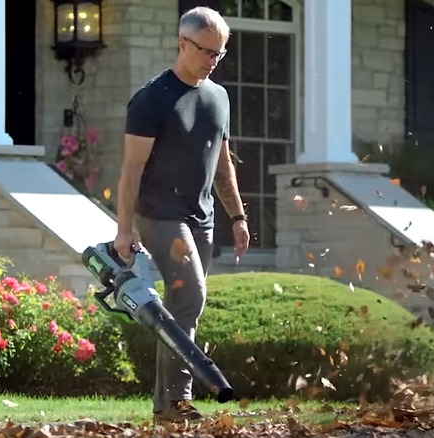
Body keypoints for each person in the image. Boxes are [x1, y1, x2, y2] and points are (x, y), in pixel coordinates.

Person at [112, 5, 250, 424]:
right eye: (207, 52)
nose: (213, 61)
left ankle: (166, 407)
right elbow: (130, 170)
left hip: (200, 216)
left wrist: (238, 217)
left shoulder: (219, 98)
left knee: (184, 307)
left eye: (220, 54)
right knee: (192, 293)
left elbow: (223, 165)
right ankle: (177, 402)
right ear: (182, 44)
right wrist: (123, 232)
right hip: (159, 215)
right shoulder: (151, 99)